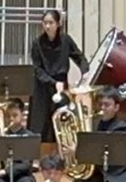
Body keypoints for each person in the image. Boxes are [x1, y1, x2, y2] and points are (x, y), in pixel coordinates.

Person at [29, 10, 89, 144]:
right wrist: (53, 82)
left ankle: (62, 152)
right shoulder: (37, 43)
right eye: (45, 23)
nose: (47, 26)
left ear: (58, 24)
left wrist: (85, 71)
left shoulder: (66, 40)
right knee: (41, 125)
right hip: (43, 87)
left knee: (62, 121)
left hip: (62, 85)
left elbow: (78, 56)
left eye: (51, 23)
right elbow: (37, 69)